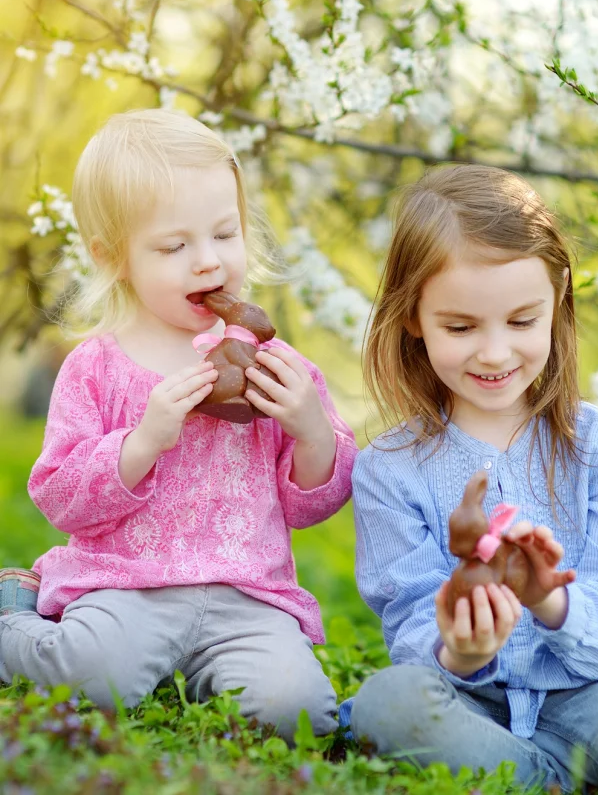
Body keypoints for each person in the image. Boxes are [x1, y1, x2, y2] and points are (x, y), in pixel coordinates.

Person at [0, 109, 357, 743]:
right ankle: (12, 617)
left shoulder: (273, 365)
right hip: (127, 587)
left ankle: (202, 670)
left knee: (296, 714)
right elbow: (57, 495)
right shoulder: (96, 366)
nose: (207, 262)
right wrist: (140, 443)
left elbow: (314, 502)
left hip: (247, 596)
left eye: (224, 234)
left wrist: (312, 431)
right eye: (174, 246)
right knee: (94, 680)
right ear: (114, 258)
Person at [339, 164, 598, 792]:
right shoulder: (388, 470)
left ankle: (527, 778)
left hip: (593, 700)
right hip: (471, 708)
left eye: (522, 321)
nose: (496, 353)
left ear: (557, 299)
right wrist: (463, 650)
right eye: (461, 327)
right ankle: (550, 781)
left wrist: (551, 601)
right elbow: (411, 627)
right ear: (413, 317)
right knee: (386, 705)